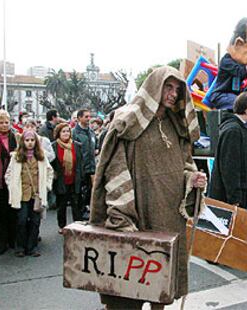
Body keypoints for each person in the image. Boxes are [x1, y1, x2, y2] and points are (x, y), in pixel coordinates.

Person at [90, 66, 207, 309]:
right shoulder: (127, 120)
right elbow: (113, 169)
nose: (173, 94)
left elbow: (183, 165)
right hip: (138, 212)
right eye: (168, 86)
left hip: (169, 217)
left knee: (161, 288)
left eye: (177, 89)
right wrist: (121, 211)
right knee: (127, 290)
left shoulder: (177, 125)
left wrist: (192, 178)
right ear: (154, 86)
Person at [5, 130, 53, 257]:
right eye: (27, 140)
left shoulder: (41, 156)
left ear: (36, 142)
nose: (30, 143)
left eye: (32, 140)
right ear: (23, 142)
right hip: (21, 194)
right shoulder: (16, 157)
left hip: (37, 194)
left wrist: (47, 186)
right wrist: (12, 187)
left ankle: (32, 247)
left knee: (35, 221)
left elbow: (49, 172)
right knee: (21, 220)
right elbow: (8, 174)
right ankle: (20, 246)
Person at [209, 92, 247, 208]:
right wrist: (234, 198)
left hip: (231, 194)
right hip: (229, 197)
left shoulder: (234, 128)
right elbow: (230, 168)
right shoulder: (234, 131)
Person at [0, 110, 18, 255]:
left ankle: (12, 240)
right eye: (0, 122)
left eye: (6, 122)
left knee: (13, 211)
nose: (4, 125)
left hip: (12, 181)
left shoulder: (15, 137)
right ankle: (0, 243)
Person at [51, 123, 84, 233]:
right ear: (58, 133)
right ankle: (62, 226)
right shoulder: (53, 146)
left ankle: (77, 226)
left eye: (68, 131)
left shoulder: (77, 145)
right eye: (63, 131)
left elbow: (81, 163)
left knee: (76, 205)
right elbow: (51, 164)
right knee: (62, 205)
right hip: (61, 180)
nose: (66, 133)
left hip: (75, 179)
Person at [72, 109, 96, 218]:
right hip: (79, 168)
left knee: (90, 191)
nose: (88, 119)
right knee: (79, 194)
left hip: (91, 168)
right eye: (86, 117)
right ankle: (79, 215)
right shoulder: (74, 132)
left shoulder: (91, 132)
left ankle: (87, 210)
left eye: (89, 116)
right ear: (79, 118)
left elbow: (95, 146)